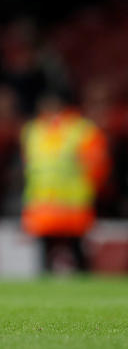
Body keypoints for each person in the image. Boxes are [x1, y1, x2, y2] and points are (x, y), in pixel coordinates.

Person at [21, 93, 109, 273]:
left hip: (73, 204)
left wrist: (91, 191)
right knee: (45, 255)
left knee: (77, 252)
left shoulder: (81, 130)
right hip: (43, 205)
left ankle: (84, 289)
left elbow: (98, 166)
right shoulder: (33, 130)